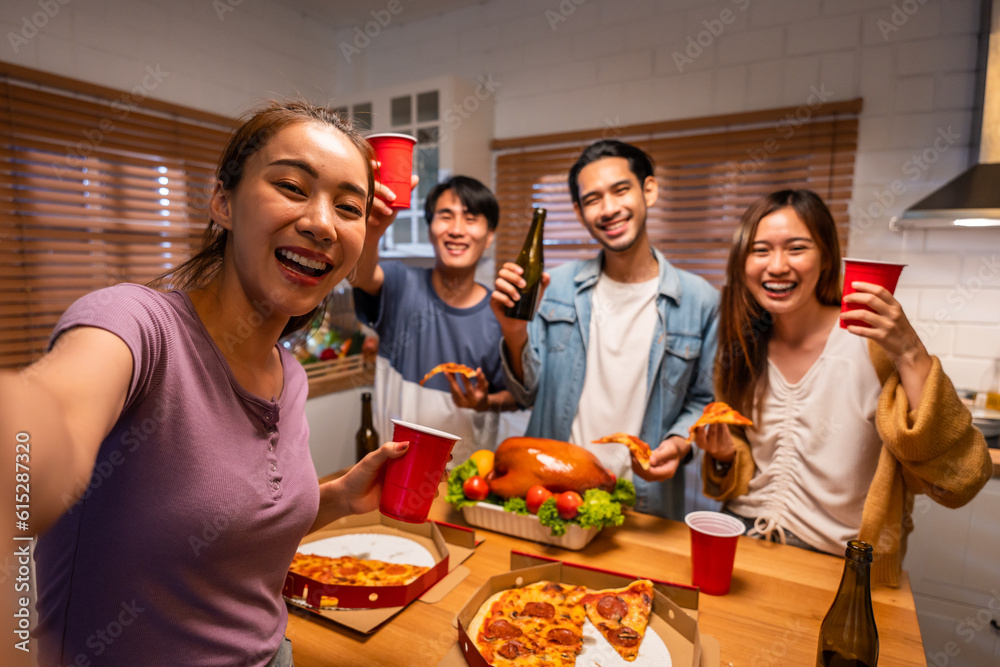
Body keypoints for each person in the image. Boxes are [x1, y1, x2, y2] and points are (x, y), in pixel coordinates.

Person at [0, 101, 419, 666]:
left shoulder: (287, 374)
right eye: (293, 187)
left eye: (348, 207)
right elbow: (43, 430)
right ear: (223, 202)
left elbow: (232, 530)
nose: (322, 223)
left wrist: (339, 498)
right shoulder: (136, 327)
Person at [693, 189, 991, 587]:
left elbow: (960, 479)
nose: (777, 266)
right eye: (760, 250)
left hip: (839, 566)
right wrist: (727, 455)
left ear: (827, 257)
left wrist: (910, 352)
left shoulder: (873, 346)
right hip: (743, 546)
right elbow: (749, 463)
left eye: (796, 248)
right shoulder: (743, 348)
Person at [491, 140, 720, 521]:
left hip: (645, 504)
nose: (609, 209)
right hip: (552, 494)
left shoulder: (701, 300)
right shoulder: (556, 287)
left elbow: (702, 400)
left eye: (620, 190)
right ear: (580, 212)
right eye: (593, 199)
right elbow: (526, 393)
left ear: (649, 190)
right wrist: (514, 331)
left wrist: (679, 444)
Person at [351, 175, 520, 463]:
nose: (456, 230)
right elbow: (360, 274)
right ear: (430, 229)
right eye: (445, 216)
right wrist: (373, 233)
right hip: (390, 470)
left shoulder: (501, 315)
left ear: (490, 235)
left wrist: (484, 402)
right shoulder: (399, 282)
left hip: (462, 482)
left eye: (470, 219)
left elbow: (516, 397)